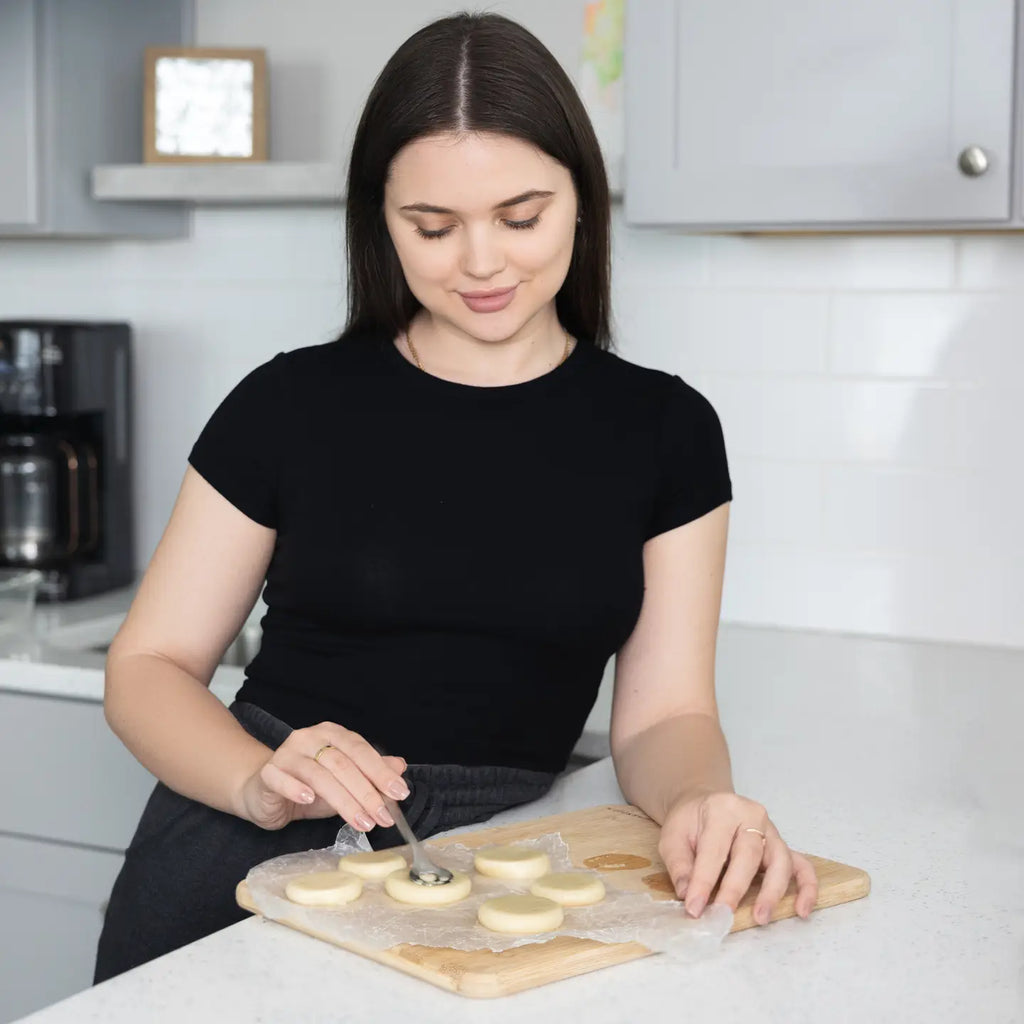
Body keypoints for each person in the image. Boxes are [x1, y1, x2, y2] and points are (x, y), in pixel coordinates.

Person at [94, 10, 817, 983]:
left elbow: (663, 715)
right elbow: (148, 665)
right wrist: (255, 780)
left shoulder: (664, 430)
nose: (481, 263)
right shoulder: (286, 403)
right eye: (432, 227)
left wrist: (696, 802)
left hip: (504, 856)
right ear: (379, 221)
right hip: (251, 837)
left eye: (520, 218)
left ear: (580, 203)